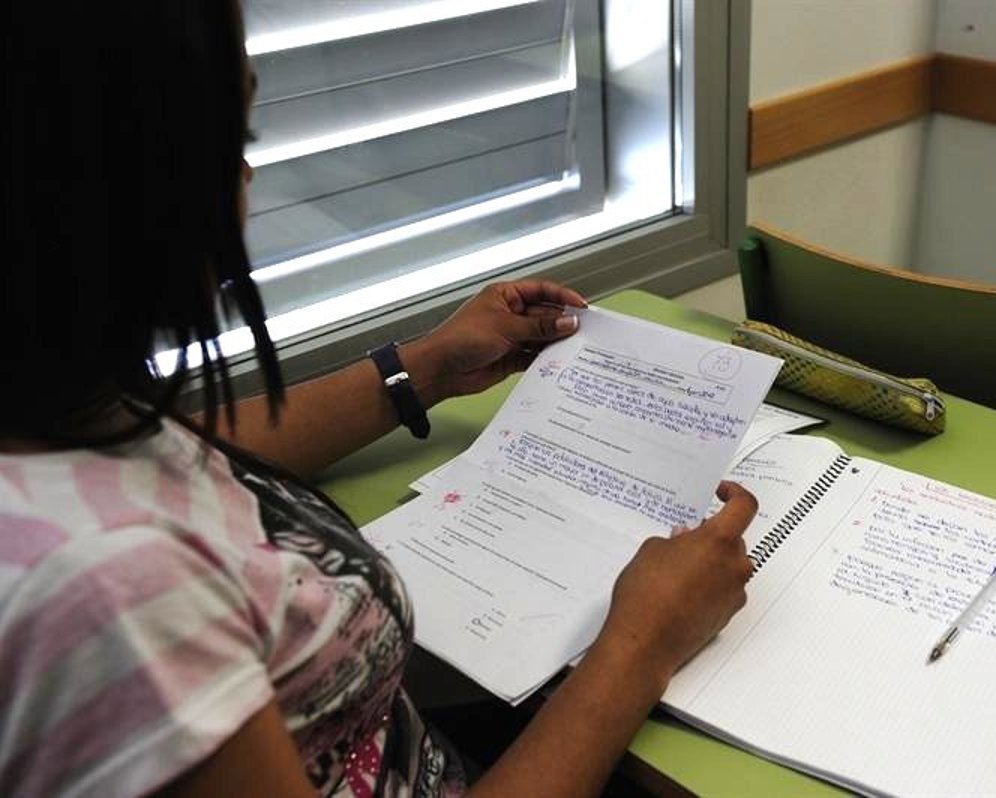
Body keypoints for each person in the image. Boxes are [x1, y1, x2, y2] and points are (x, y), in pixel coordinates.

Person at [0, 2, 757, 796]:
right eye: (229, 139)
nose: (247, 176)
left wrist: (423, 370)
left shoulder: (49, 413)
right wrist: (640, 645)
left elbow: (168, 449)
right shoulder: (114, 601)